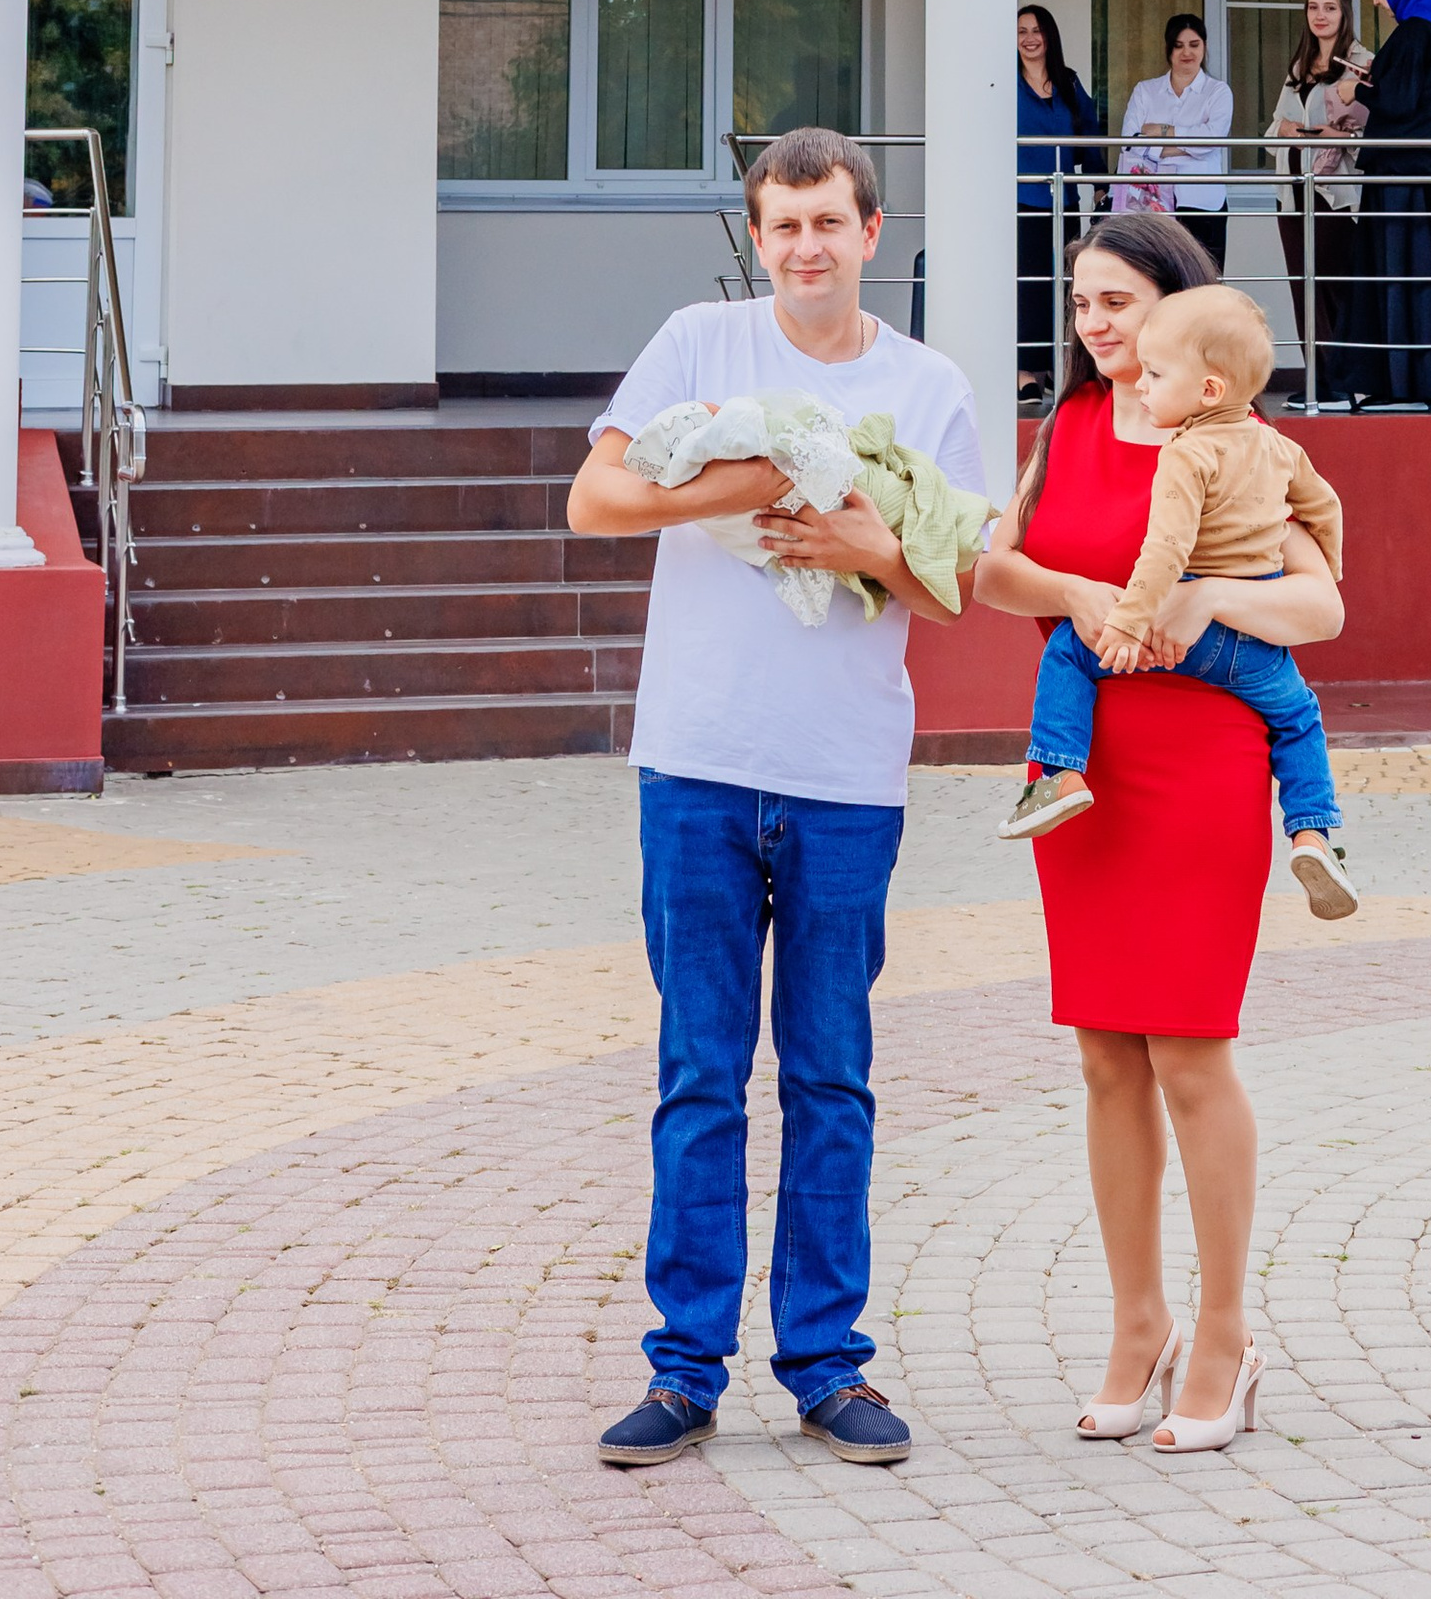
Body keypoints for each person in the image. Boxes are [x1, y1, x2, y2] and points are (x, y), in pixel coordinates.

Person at [567, 125, 987, 1473]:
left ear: (873, 233)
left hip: (845, 778)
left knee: (830, 1079)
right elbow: (594, 501)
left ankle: (826, 1368)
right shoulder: (699, 345)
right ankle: (684, 1371)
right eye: (782, 225)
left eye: (829, 222)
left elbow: (950, 582)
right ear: (760, 239)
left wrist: (865, 532)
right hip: (694, 762)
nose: (805, 246)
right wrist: (786, 471)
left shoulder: (931, 388)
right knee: (699, 1077)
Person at [975, 210, 1345, 1455]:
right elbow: (998, 571)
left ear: (1180, 313)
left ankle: (1229, 1336)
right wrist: (1082, 594)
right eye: (1080, 301)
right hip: (1079, 764)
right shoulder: (1067, 425)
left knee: (1188, 1051)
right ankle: (1140, 1326)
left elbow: (1321, 603)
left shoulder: (1230, 436)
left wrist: (1201, 595)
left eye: (1118, 301)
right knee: (1102, 1056)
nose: (1095, 324)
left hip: (1200, 761)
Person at [997, 281, 1354, 919]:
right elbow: (1324, 505)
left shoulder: (1186, 454)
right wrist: (1332, 556)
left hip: (1187, 639)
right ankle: (1313, 833)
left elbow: (1165, 551)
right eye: (1080, 305)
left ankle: (1058, 773)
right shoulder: (1276, 446)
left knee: (1067, 656)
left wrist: (1130, 623)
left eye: (1157, 373)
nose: (1142, 384)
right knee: (1299, 717)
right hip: (1256, 651)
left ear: (1207, 388)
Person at [1338, 0, 1431, 409]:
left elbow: (1401, 101)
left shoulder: (1413, 33)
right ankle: (1407, 383)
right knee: (1406, 272)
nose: (1375, 0)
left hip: (1397, 171)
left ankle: (1401, 387)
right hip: (1415, 171)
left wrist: (1358, 89)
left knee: (1391, 272)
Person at [1266, 0, 1369, 386]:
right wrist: (1286, 131)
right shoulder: (1299, 65)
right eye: (1313, 7)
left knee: (1333, 287)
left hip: (1334, 192)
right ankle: (1317, 383)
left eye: (1329, 7)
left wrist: (1337, 137)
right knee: (1303, 289)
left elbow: (1372, 135)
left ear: (1344, 12)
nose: (1320, 16)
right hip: (1291, 192)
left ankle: (1342, 383)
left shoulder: (1362, 62)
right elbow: (1272, 128)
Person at [1016, 1, 1098, 409]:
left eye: (1037, 30)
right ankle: (1026, 373)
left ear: (1049, 36)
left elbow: (1090, 130)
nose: (1030, 39)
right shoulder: (1005, 82)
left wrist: (1101, 184)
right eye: (1022, 32)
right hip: (1022, 200)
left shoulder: (1067, 81)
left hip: (1065, 200)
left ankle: (1054, 367)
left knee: (1067, 285)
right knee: (1029, 286)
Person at [1116, 10, 1234, 269]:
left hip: (1202, 201)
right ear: (1168, 48)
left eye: (1194, 45)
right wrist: (1186, 144)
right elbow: (1130, 144)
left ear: (1204, 46)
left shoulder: (1218, 91)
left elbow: (1212, 140)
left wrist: (1162, 132)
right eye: (1179, 45)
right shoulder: (1146, 90)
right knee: (1157, 283)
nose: (1187, 53)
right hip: (1150, 205)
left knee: (1202, 285)